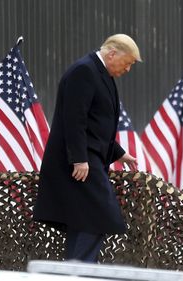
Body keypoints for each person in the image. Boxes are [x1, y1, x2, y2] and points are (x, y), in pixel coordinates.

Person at [33, 34, 142, 262]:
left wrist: (119, 153)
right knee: (98, 215)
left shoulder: (102, 74)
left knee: (84, 221)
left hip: (89, 160)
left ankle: (74, 272)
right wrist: (79, 159)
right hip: (80, 164)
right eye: (128, 62)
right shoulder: (84, 71)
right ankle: (78, 272)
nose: (128, 69)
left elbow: (97, 124)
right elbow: (74, 119)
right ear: (112, 53)